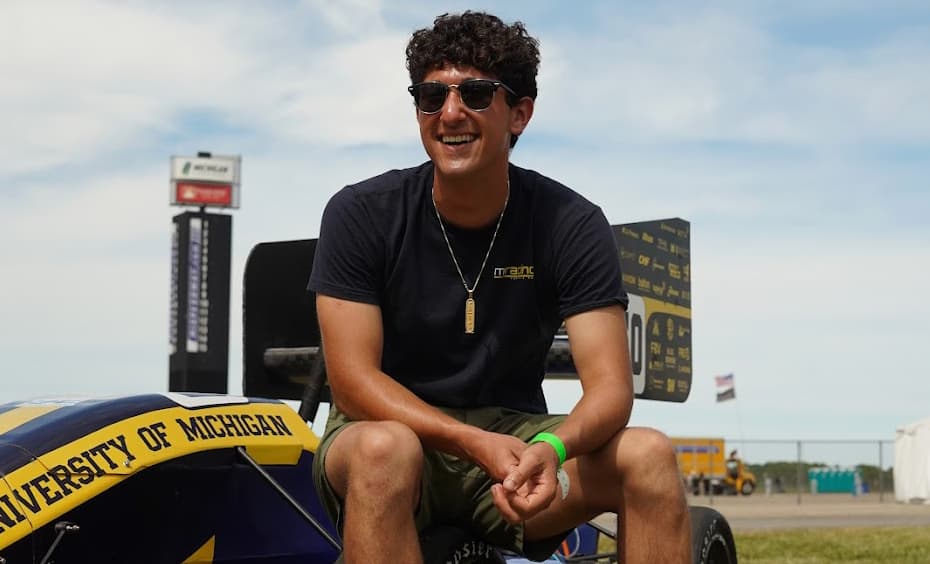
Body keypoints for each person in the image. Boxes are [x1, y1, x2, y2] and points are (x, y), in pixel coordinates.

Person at [308, 11, 690, 563]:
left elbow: (610, 389)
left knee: (649, 455)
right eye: (431, 96)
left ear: (520, 113)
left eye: (478, 94)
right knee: (382, 450)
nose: (451, 113)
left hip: (517, 441)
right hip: (388, 433)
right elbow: (351, 383)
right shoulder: (360, 212)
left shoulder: (572, 222)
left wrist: (552, 447)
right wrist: (468, 443)